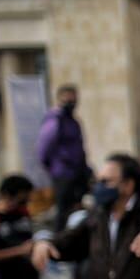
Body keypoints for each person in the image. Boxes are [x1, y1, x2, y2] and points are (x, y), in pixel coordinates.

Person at [37, 85, 90, 230]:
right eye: (67, 98)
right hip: (62, 172)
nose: (71, 101)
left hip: (76, 171)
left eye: (73, 98)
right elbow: (45, 145)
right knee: (63, 209)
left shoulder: (73, 121)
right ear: (60, 98)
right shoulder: (55, 119)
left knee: (77, 207)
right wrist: (52, 165)